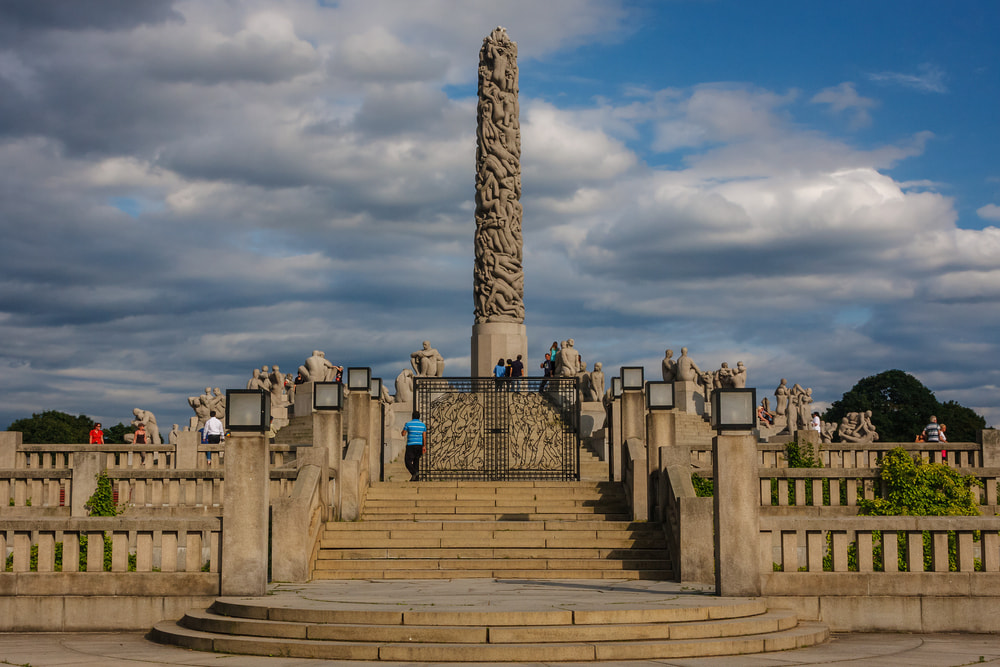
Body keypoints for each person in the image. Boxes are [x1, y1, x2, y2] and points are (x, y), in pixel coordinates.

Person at [402, 411, 427, 482]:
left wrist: (404, 428)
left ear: (412, 416)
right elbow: (424, 437)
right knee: (416, 462)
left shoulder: (408, 424)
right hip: (419, 445)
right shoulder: (422, 425)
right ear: (419, 417)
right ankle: (416, 478)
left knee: (407, 461)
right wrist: (424, 446)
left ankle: (414, 473)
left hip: (411, 445)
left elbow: (403, 434)